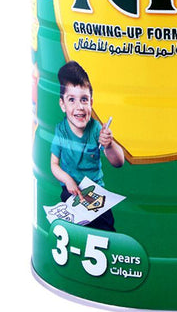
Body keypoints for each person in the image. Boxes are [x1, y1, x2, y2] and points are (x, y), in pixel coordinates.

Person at [50, 61, 124, 231]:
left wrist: (109, 145)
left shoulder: (96, 129)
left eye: (84, 99)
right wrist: (68, 180)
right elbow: (54, 164)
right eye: (71, 100)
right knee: (73, 231)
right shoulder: (61, 131)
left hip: (96, 193)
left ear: (91, 102)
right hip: (71, 191)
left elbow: (118, 162)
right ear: (62, 104)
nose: (79, 107)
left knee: (106, 229)